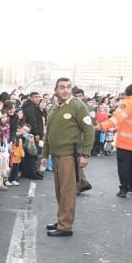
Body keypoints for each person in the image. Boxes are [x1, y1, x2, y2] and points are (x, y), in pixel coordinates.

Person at [41, 77, 95, 237]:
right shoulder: (54, 107)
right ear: (56, 90)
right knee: (60, 192)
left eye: (68, 87)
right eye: (62, 87)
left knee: (68, 193)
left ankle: (65, 226)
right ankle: (61, 219)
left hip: (69, 157)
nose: (65, 90)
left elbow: (89, 131)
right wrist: (44, 154)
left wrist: (85, 154)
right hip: (56, 156)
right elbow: (48, 133)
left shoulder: (78, 106)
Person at [98, 83, 132, 197]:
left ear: (128, 92)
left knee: (123, 167)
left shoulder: (127, 103)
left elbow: (116, 119)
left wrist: (102, 126)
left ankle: (124, 188)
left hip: (125, 142)